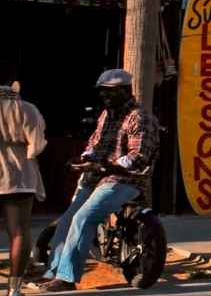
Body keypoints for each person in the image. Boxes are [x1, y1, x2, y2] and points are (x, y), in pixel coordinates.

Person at [38, 70, 158, 292]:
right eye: (102, 93)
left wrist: (111, 165)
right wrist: (85, 157)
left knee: (83, 218)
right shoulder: (106, 115)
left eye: (110, 93)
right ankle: (53, 271)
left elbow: (138, 156)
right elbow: (95, 143)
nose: (105, 98)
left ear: (125, 91)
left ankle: (67, 278)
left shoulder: (139, 117)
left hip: (125, 180)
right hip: (99, 177)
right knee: (67, 220)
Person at [0, 72, 45, 296]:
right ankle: (14, 291)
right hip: (19, 177)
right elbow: (36, 146)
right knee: (19, 232)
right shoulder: (27, 109)